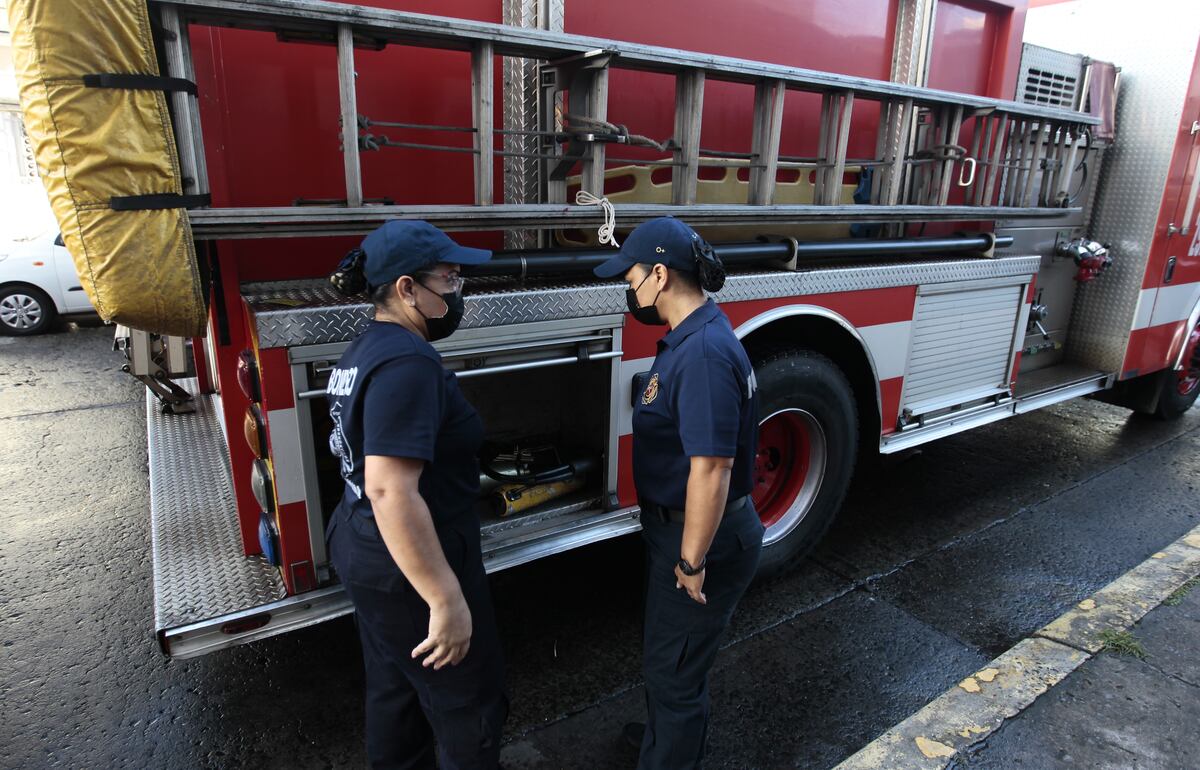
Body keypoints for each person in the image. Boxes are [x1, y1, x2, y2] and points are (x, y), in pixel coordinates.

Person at [325, 220, 507, 770]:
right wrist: (445, 599)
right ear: (407, 289)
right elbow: (390, 489)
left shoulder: (368, 348)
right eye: (449, 280)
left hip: (365, 545)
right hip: (410, 563)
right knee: (468, 705)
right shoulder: (408, 362)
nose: (456, 292)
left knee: (396, 692)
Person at [593, 217, 764, 770]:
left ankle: (670, 752)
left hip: (699, 541)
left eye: (633, 276)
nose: (629, 288)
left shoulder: (705, 354)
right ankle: (665, 740)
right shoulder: (693, 340)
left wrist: (691, 561)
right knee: (670, 662)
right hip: (677, 532)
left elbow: (711, 470)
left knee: (675, 674)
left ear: (660, 276)